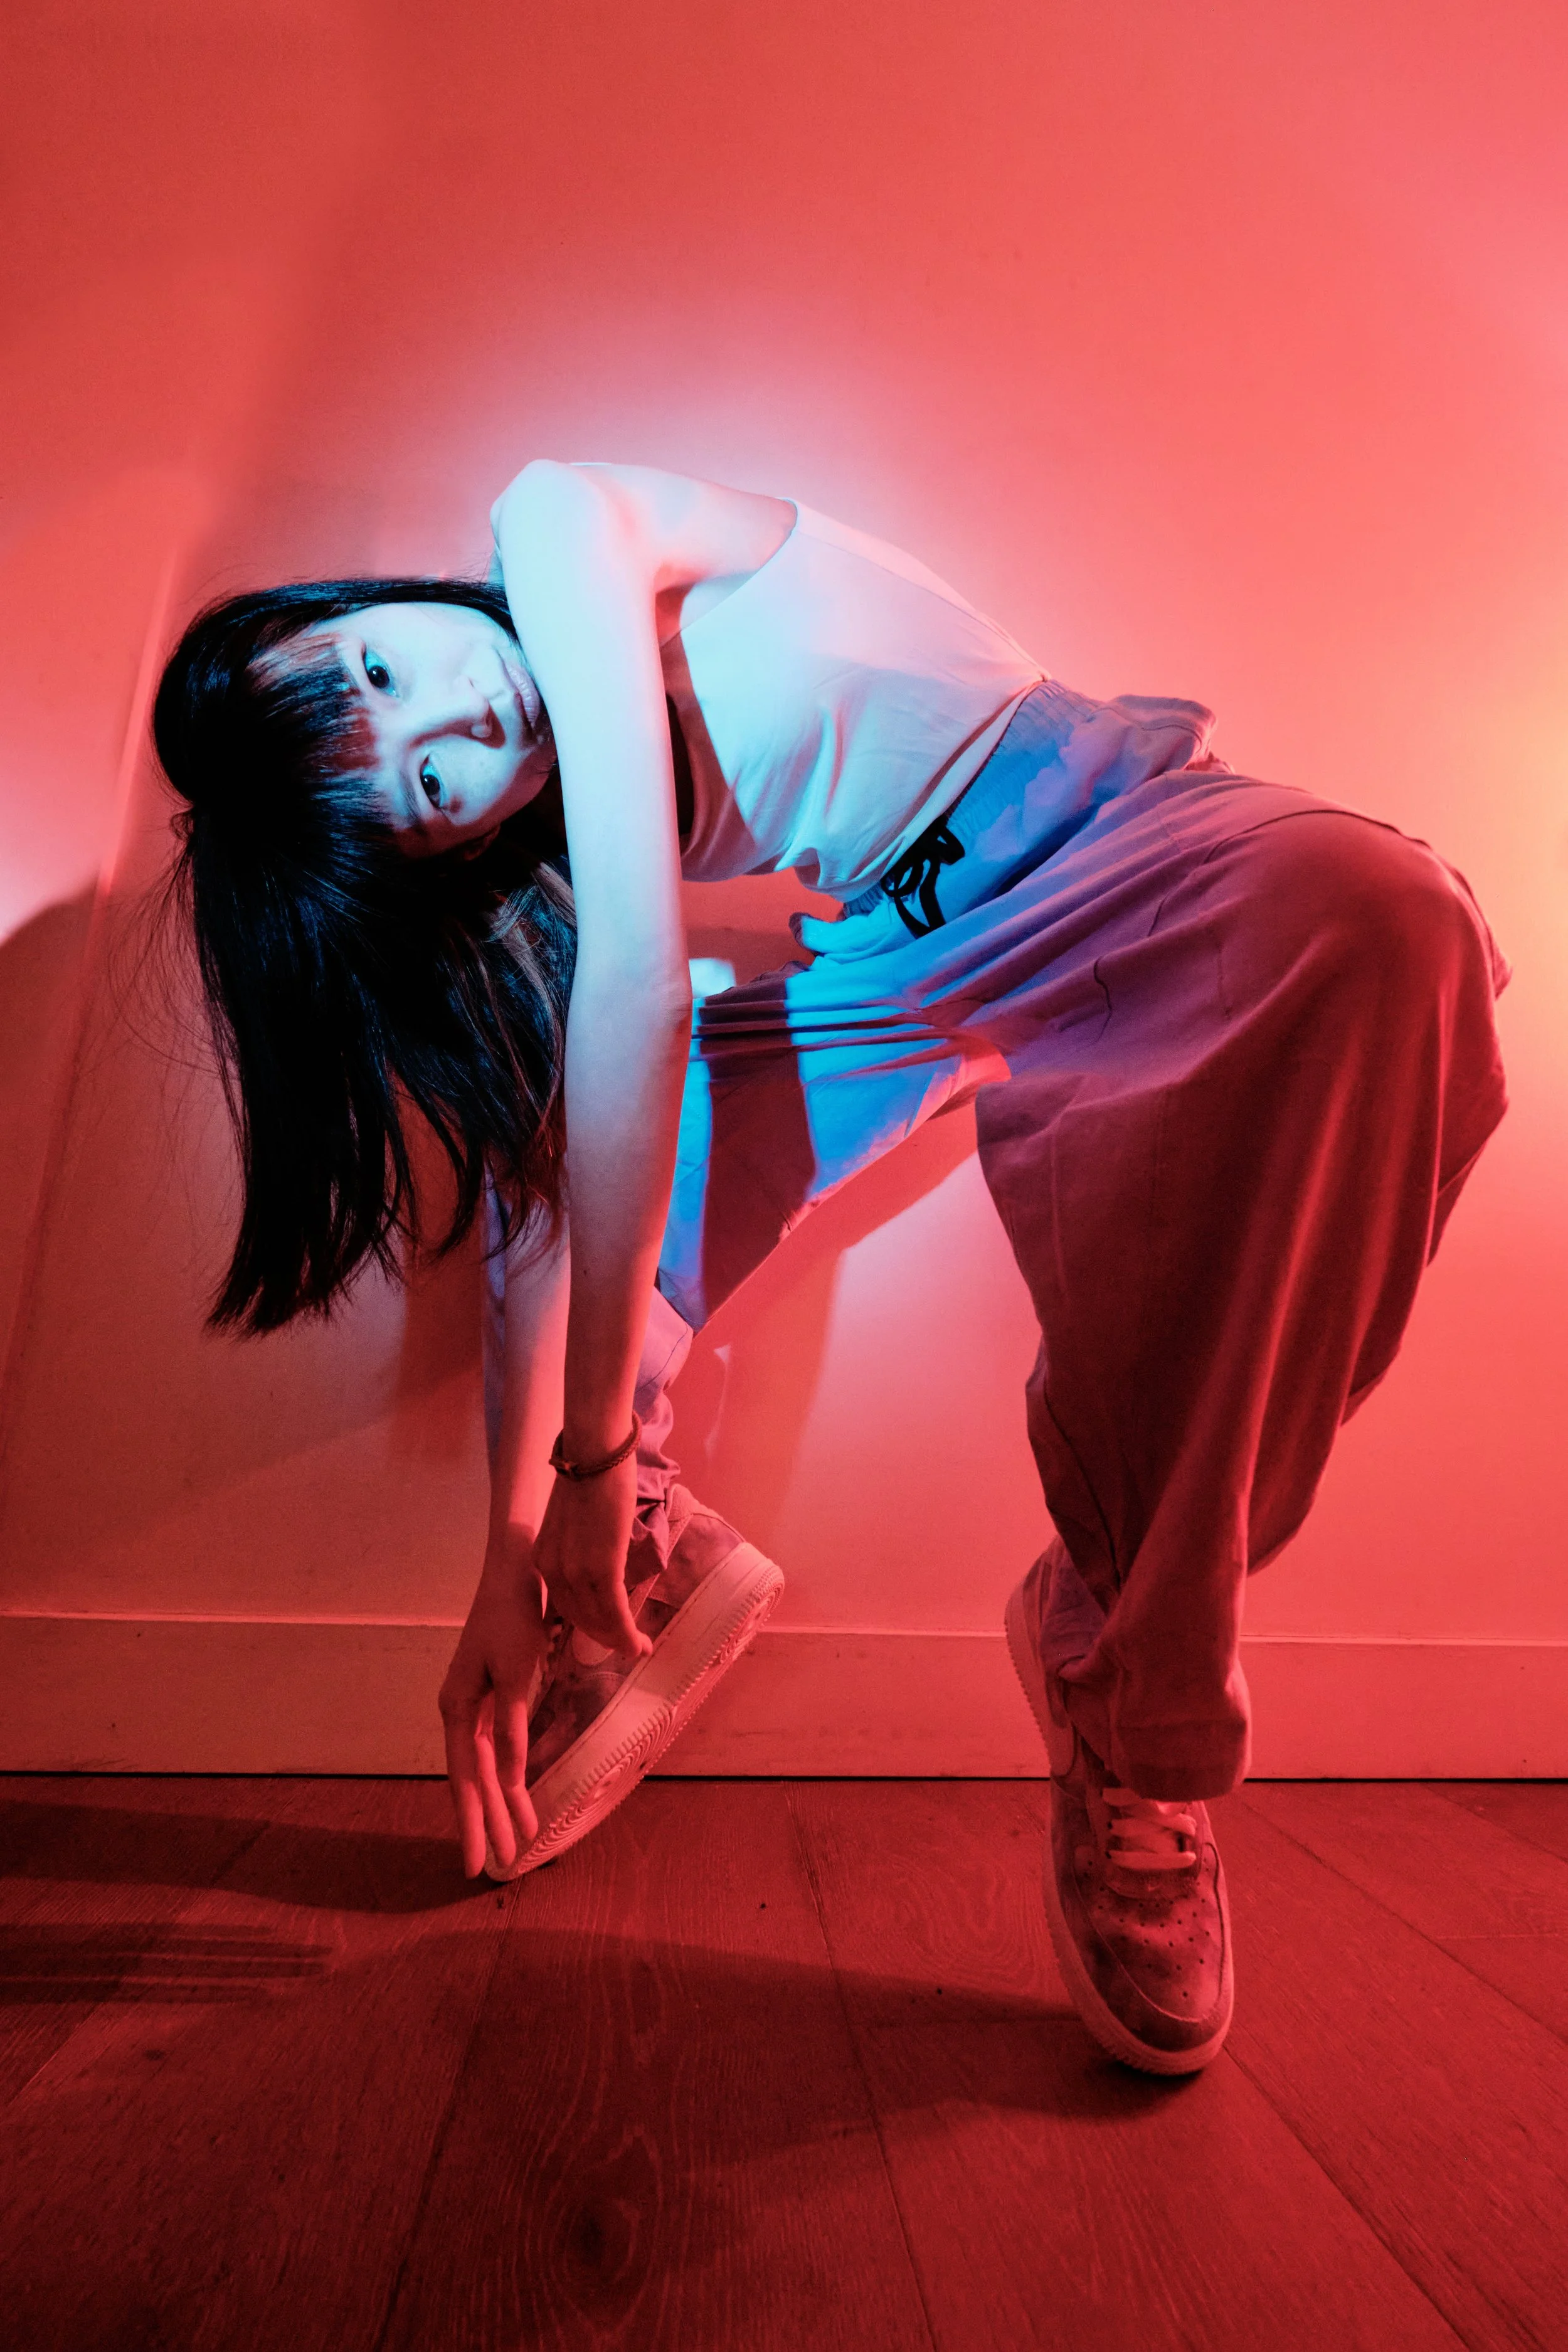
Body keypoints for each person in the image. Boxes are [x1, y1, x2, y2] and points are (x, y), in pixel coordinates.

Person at [152, 460, 1509, 2075]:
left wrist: (571, 1465)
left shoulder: (561, 523)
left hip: (1123, 852)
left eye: (382, 671)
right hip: (895, 957)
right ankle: (631, 1548)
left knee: (1393, 921)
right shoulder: (597, 819)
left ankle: (1130, 1692)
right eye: (431, 794)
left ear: (357, 606)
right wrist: (514, 1553)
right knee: (560, 1162)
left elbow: (643, 998)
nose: (465, 724)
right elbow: (601, 1104)